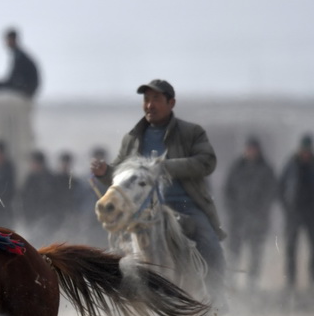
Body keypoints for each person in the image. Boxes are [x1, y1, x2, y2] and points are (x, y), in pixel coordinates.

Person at [90, 79, 226, 298]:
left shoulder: (191, 132)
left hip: (184, 205)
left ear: (171, 103)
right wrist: (105, 172)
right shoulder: (133, 138)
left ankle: (217, 305)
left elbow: (207, 162)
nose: (149, 105)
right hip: (143, 209)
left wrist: (166, 167)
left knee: (210, 244)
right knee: (115, 249)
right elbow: (120, 175)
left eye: (156, 99)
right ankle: (119, 303)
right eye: (146, 99)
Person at [221, 136, 277, 289]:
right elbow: (227, 192)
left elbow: (271, 193)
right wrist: (233, 211)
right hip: (237, 219)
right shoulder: (236, 167)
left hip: (258, 220)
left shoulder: (266, 169)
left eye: (253, 149)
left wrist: (260, 212)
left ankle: (252, 283)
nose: (251, 152)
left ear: (258, 150)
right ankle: (231, 282)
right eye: (248, 148)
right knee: (233, 253)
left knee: (255, 254)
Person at [278, 134, 314, 291]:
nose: (305, 153)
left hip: (311, 213)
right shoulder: (291, 164)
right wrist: (286, 207)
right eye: (303, 149)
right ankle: (290, 282)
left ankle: (312, 281)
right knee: (291, 248)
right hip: (293, 213)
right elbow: (280, 187)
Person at [0, 27, 40, 98]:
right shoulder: (17, 54)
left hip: (26, 89)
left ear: (13, 40)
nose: (6, 43)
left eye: (7, 40)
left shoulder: (20, 56)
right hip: (25, 87)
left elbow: (14, 77)